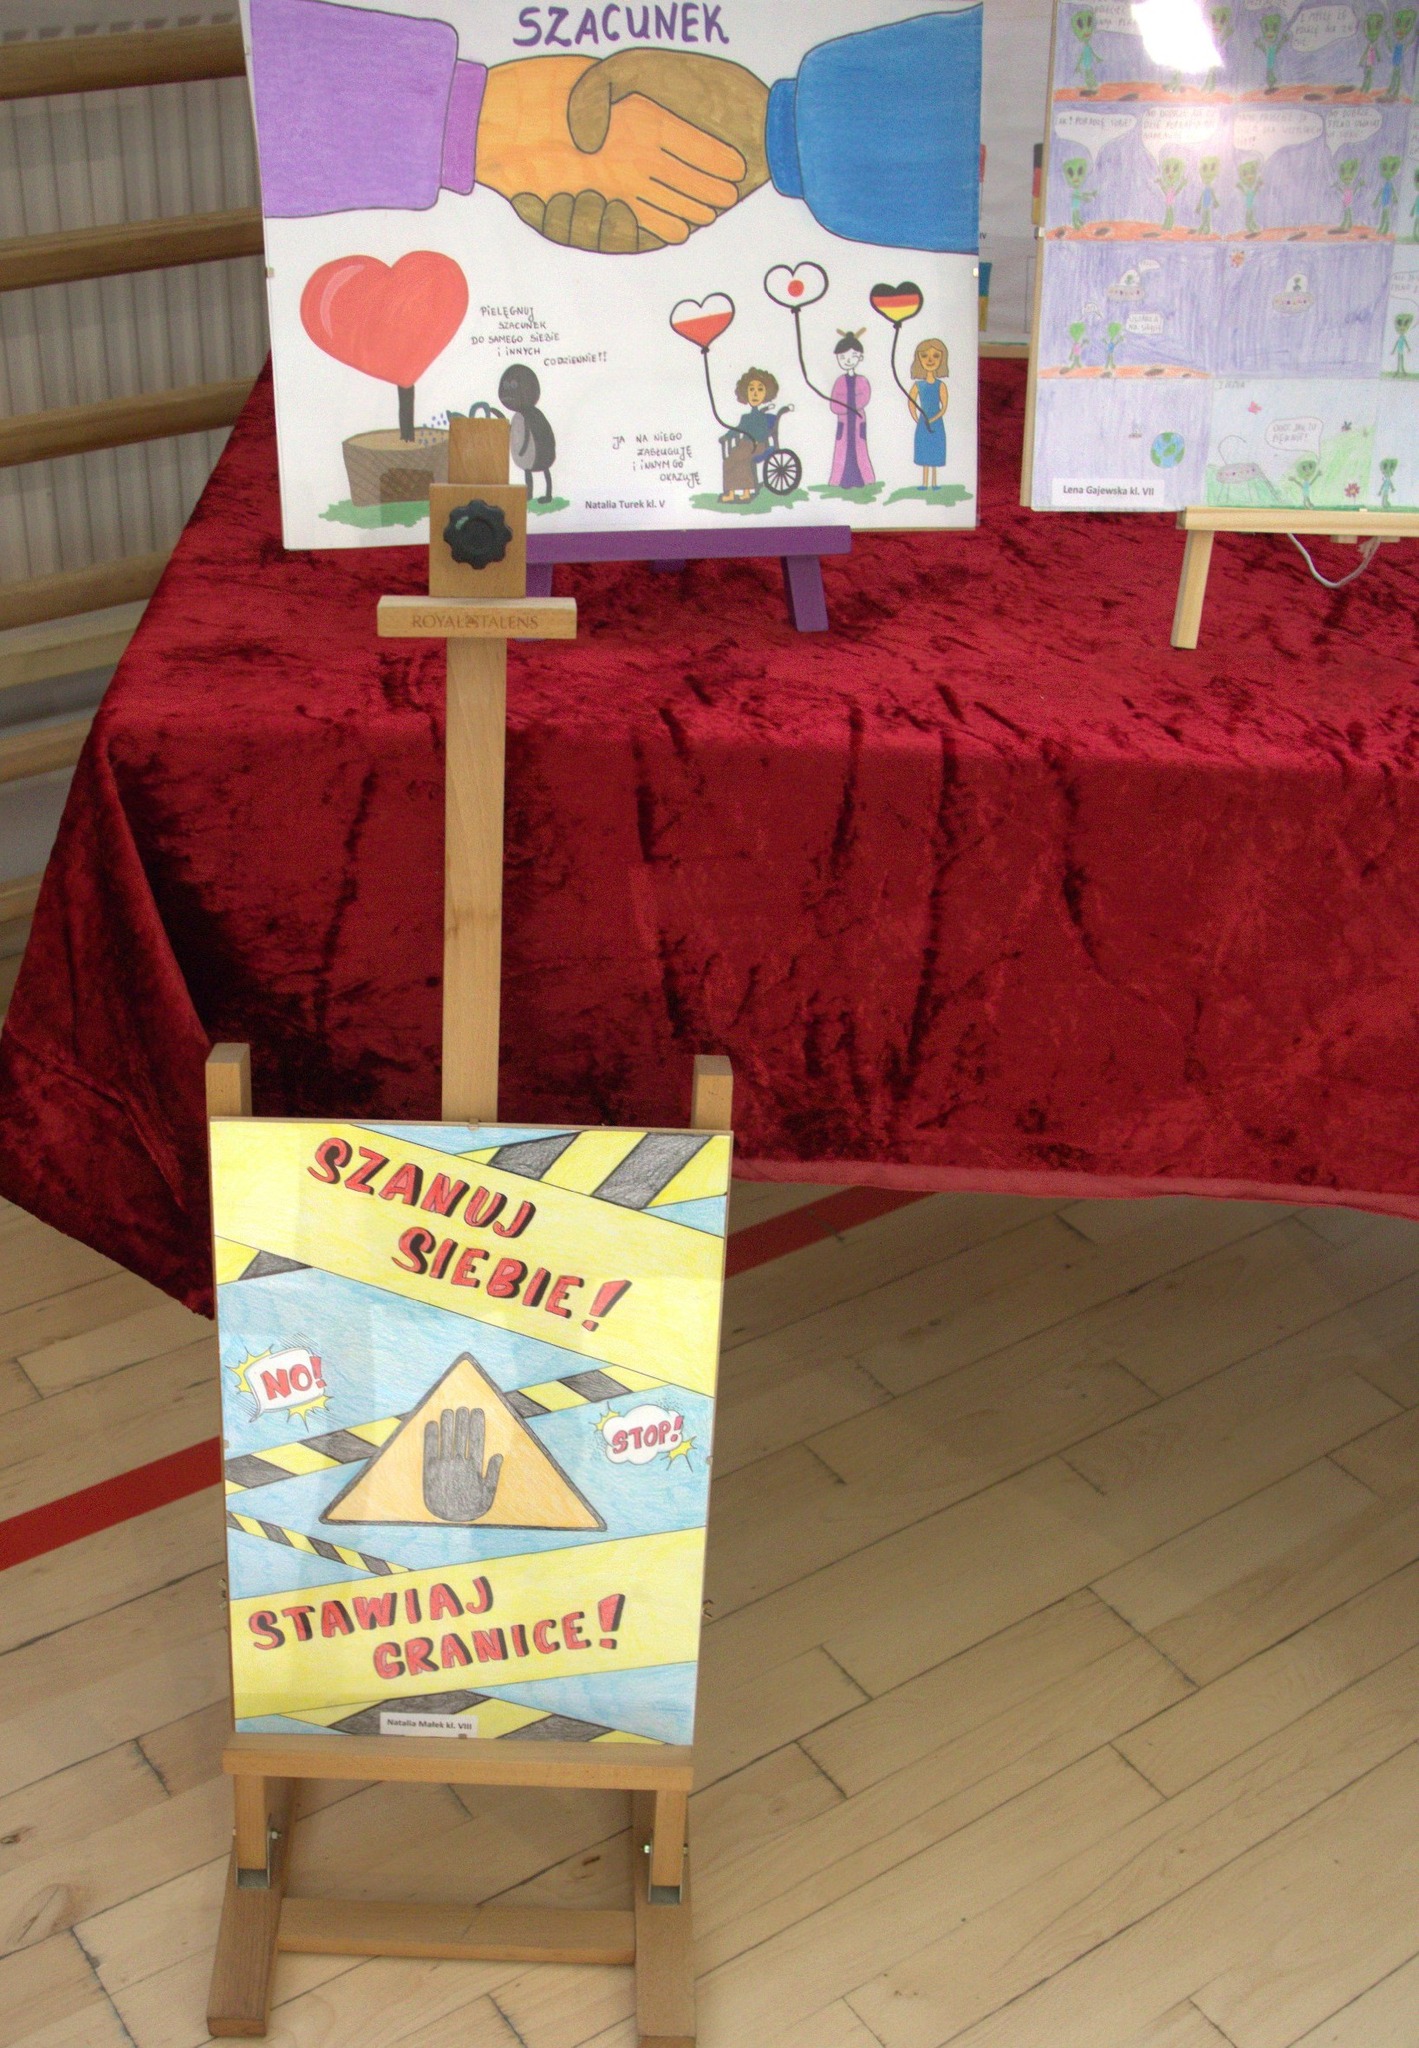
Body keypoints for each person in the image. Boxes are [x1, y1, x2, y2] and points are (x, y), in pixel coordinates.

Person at [721, 369, 780, 502]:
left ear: (766, 393)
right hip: (743, 446)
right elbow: (737, 430)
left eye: (760, 389)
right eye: (751, 389)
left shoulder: (762, 418)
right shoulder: (745, 417)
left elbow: (763, 433)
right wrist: (727, 437)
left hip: (757, 446)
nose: (755, 394)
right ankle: (730, 492)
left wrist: (756, 439)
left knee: (741, 460)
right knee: (729, 461)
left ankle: (746, 492)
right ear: (745, 393)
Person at [828, 333, 875, 490]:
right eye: (843, 357)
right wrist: (846, 407)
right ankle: (841, 481)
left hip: (857, 421)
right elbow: (834, 405)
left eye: (852, 356)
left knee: (860, 449)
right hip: (844, 422)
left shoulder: (862, 380)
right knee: (842, 450)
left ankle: (864, 480)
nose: (847, 360)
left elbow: (865, 398)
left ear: (860, 357)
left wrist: (851, 405)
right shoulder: (839, 381)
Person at [908, 338, 949, 490]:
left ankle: (934, 483)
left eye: (935, 356)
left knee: (935, 451)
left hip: (936, 423)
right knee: (924, 451)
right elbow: (911, 402)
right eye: (924, 356)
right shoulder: (918, 385)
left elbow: (944, 407)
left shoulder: (941, 385)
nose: (930, 360)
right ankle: (924, 483)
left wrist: (934, 419)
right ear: (918, 359)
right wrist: (916, 418)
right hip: (923, 423)